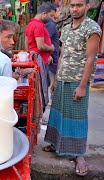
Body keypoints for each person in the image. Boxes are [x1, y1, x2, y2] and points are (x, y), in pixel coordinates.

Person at [43, 0, 102, 177]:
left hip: (77, 80)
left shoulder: (91, 28)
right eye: (73, 5)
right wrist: (56, 80)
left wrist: (83, 86)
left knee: (76, 117)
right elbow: (62, 55)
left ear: (87, 6)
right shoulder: (67, 28)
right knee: (59, 113)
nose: (75, 9)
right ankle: (56, 144)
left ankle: (79, 155)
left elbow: (91, 59)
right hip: (62, 78)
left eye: (79, 5)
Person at [45, 3, 61, 106]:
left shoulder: (51, 23)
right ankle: (51, 99)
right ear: (53, 12)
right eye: (58, 11)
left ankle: (52, 99)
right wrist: (49, 54)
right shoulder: (51, 24)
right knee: (53, 78)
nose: (60, 13)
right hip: (53, 56)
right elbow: (47, 39)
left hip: (54, 53)